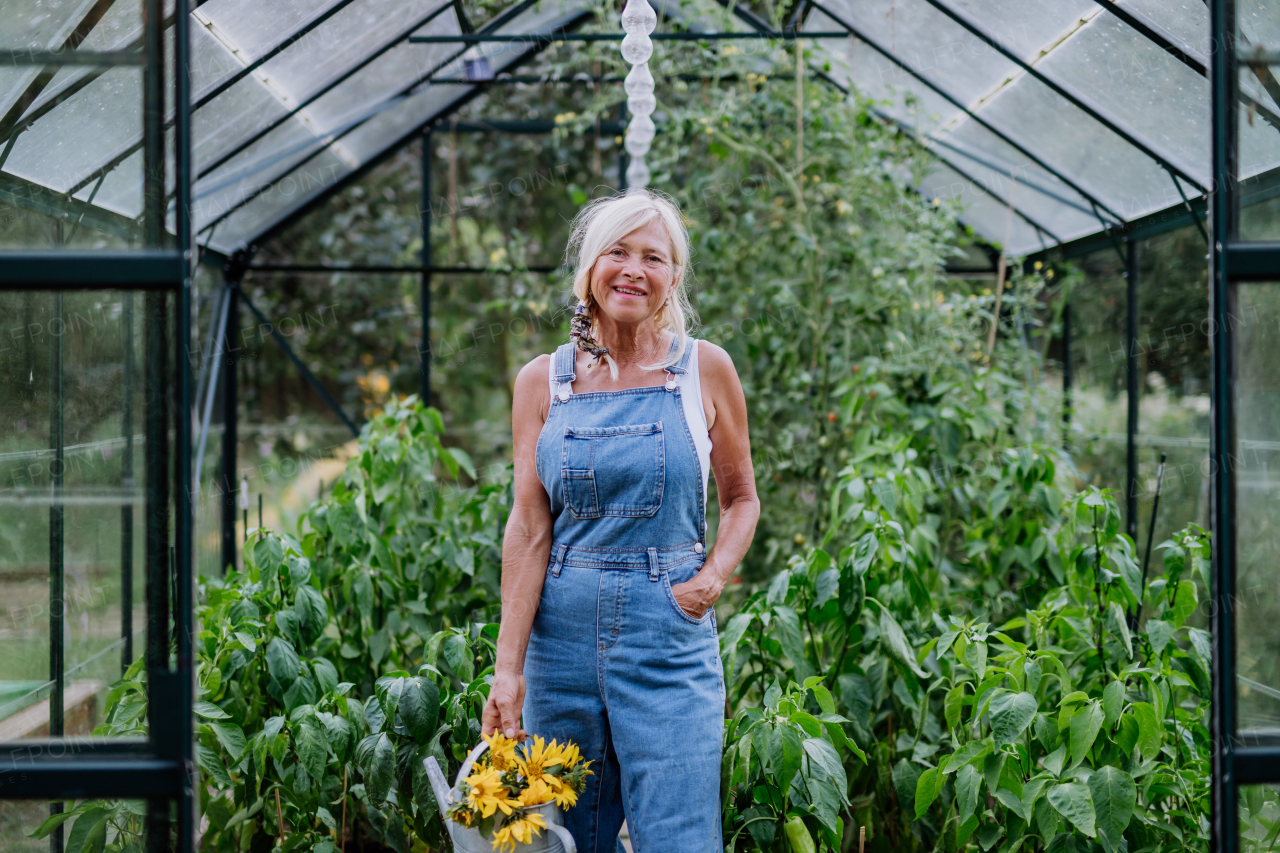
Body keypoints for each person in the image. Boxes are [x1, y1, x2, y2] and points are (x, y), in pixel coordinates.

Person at [481, 189, 759, 853]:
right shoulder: (542, 380)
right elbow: (528, 530)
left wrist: (711, 578)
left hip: (668, 629)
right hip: (560, 637)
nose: (633, 268)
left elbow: (742, 497)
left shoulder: (704, 370)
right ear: (589, 269)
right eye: (618, 252)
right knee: (557, 834)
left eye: (652, 257)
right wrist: (507, 668)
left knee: (680, 834)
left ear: (672, 279)